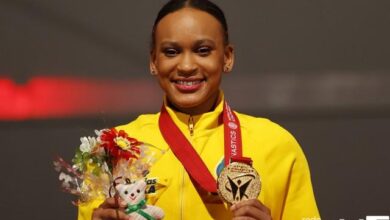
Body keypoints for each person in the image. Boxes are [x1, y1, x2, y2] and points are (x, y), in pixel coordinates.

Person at [80, 0, 320, 219]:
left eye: (202, 50)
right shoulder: (113, 148)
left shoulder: (276, 145)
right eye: (171, 52)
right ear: (154, 61)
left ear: (227, 57)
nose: (186, 66)